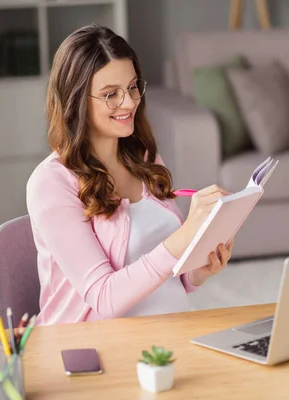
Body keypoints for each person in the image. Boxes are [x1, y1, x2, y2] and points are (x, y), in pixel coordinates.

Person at [26, 24, 234, 326]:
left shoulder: (143, 157)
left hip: (168, 335)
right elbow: (104, 297)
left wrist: (198, 270)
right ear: (77, 102)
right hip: (98, 348)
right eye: (111, 94)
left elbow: (168, 274)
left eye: (133, 87)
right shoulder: (51, 184)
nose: (129, 102)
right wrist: (185, 235)